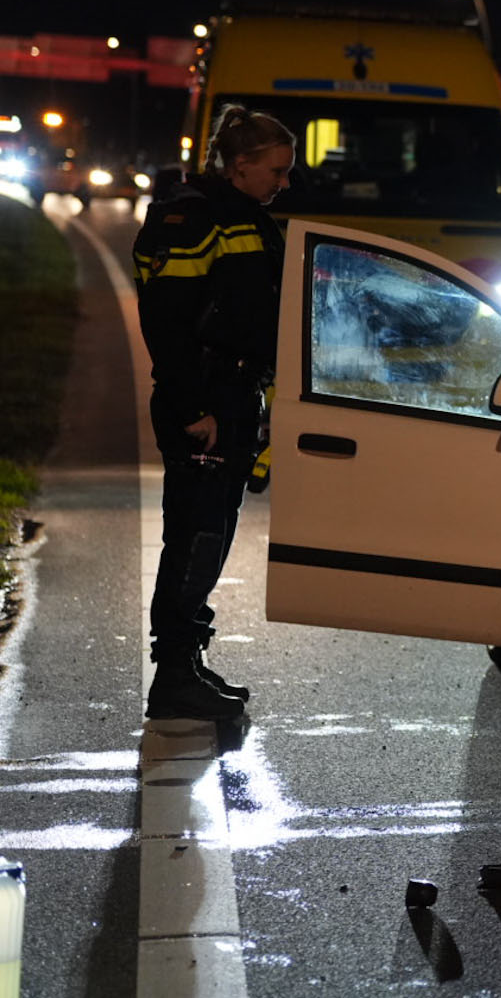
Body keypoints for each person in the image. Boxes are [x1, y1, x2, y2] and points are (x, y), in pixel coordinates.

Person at [132, 104, 294, 718]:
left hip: (229, 395)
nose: (284, 182)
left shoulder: (243, 216)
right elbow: (166, 324)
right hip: (203, 399)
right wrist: (193, 406)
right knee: (195, 538)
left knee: (211, 535)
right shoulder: (191, 219)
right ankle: (172, 675)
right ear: (241, 164)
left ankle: (188, 660)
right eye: (276, 169)